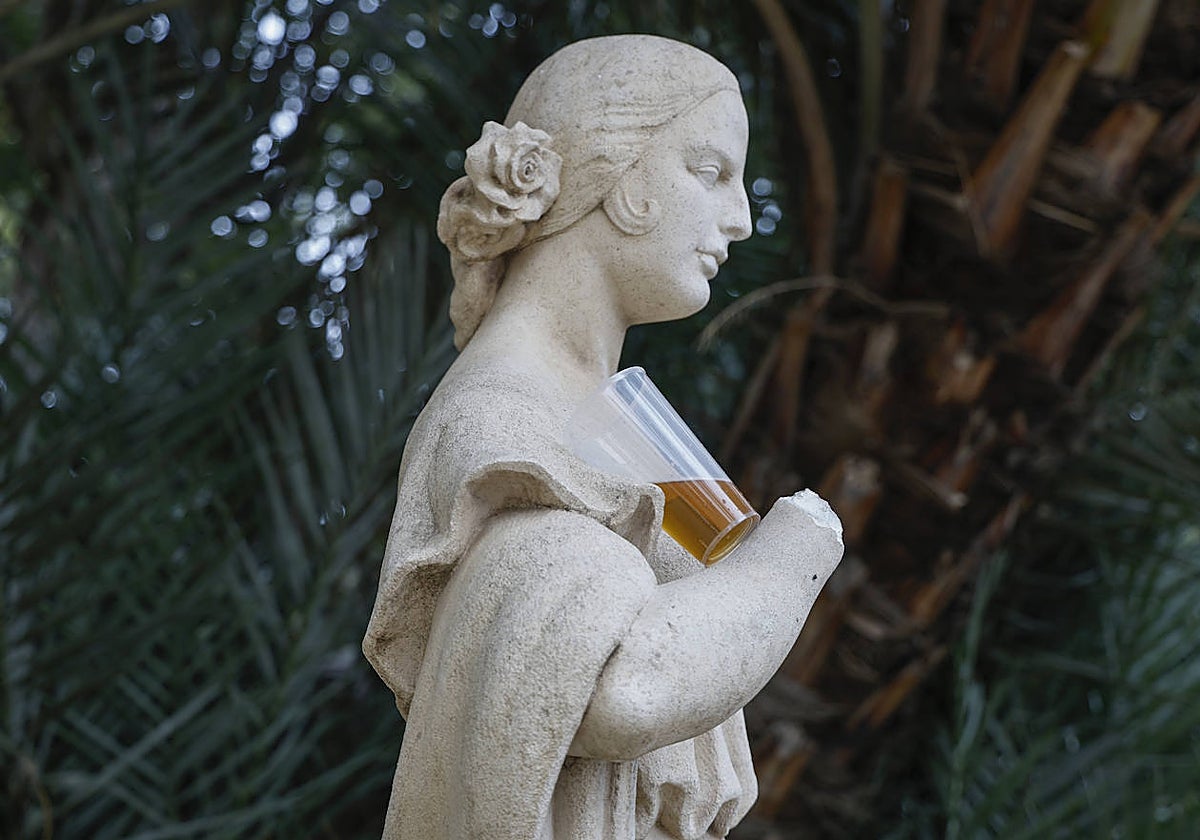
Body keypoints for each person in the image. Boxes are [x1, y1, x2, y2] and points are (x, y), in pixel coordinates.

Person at [363, 34, 844, 840]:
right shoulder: (507, 431)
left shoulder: (609, 427)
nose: (742, 217)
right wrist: (796, 554)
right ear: (616, 176)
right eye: (710, 170)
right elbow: (620, 688)